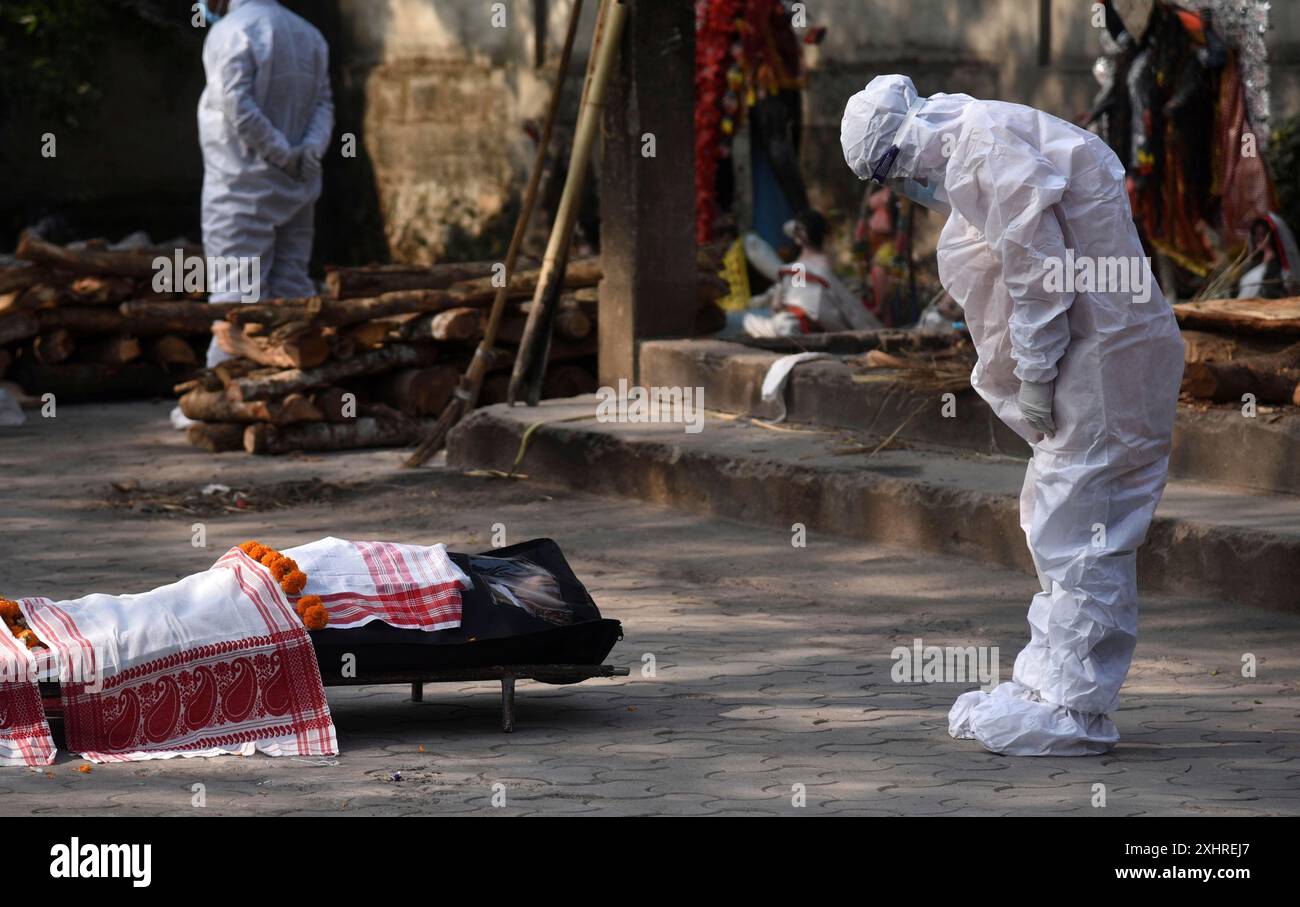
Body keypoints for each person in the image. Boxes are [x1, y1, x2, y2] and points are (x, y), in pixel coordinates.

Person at [841, 74, 1185, 756]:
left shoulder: (981, 146)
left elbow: (1037, 269)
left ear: (899, 144)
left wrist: (1034, 371)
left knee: (1081, 530)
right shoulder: (986, 136)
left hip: (1104, 361)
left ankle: (1077, 708)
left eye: (888, 170)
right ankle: (1051, 682)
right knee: (1058, 521)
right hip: (1098, 354)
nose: (901, 185)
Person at [198, 0, 333, 366]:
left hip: (240, 189)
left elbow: (236, 106)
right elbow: (323, 104)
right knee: (293, 292)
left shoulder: (231, 31)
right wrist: (307, 152)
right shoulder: (309, 34)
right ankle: (294, 386)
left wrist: (280, 152)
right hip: (297, 187)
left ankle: (222, 399)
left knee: (235, 299)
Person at [742, 209, 882, 338]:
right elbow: (849, 308)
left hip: (798, 325)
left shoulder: (800, 268)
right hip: (807, 323)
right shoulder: (816, 266)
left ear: (799, 236)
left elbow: (781, 304)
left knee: (753, 320)